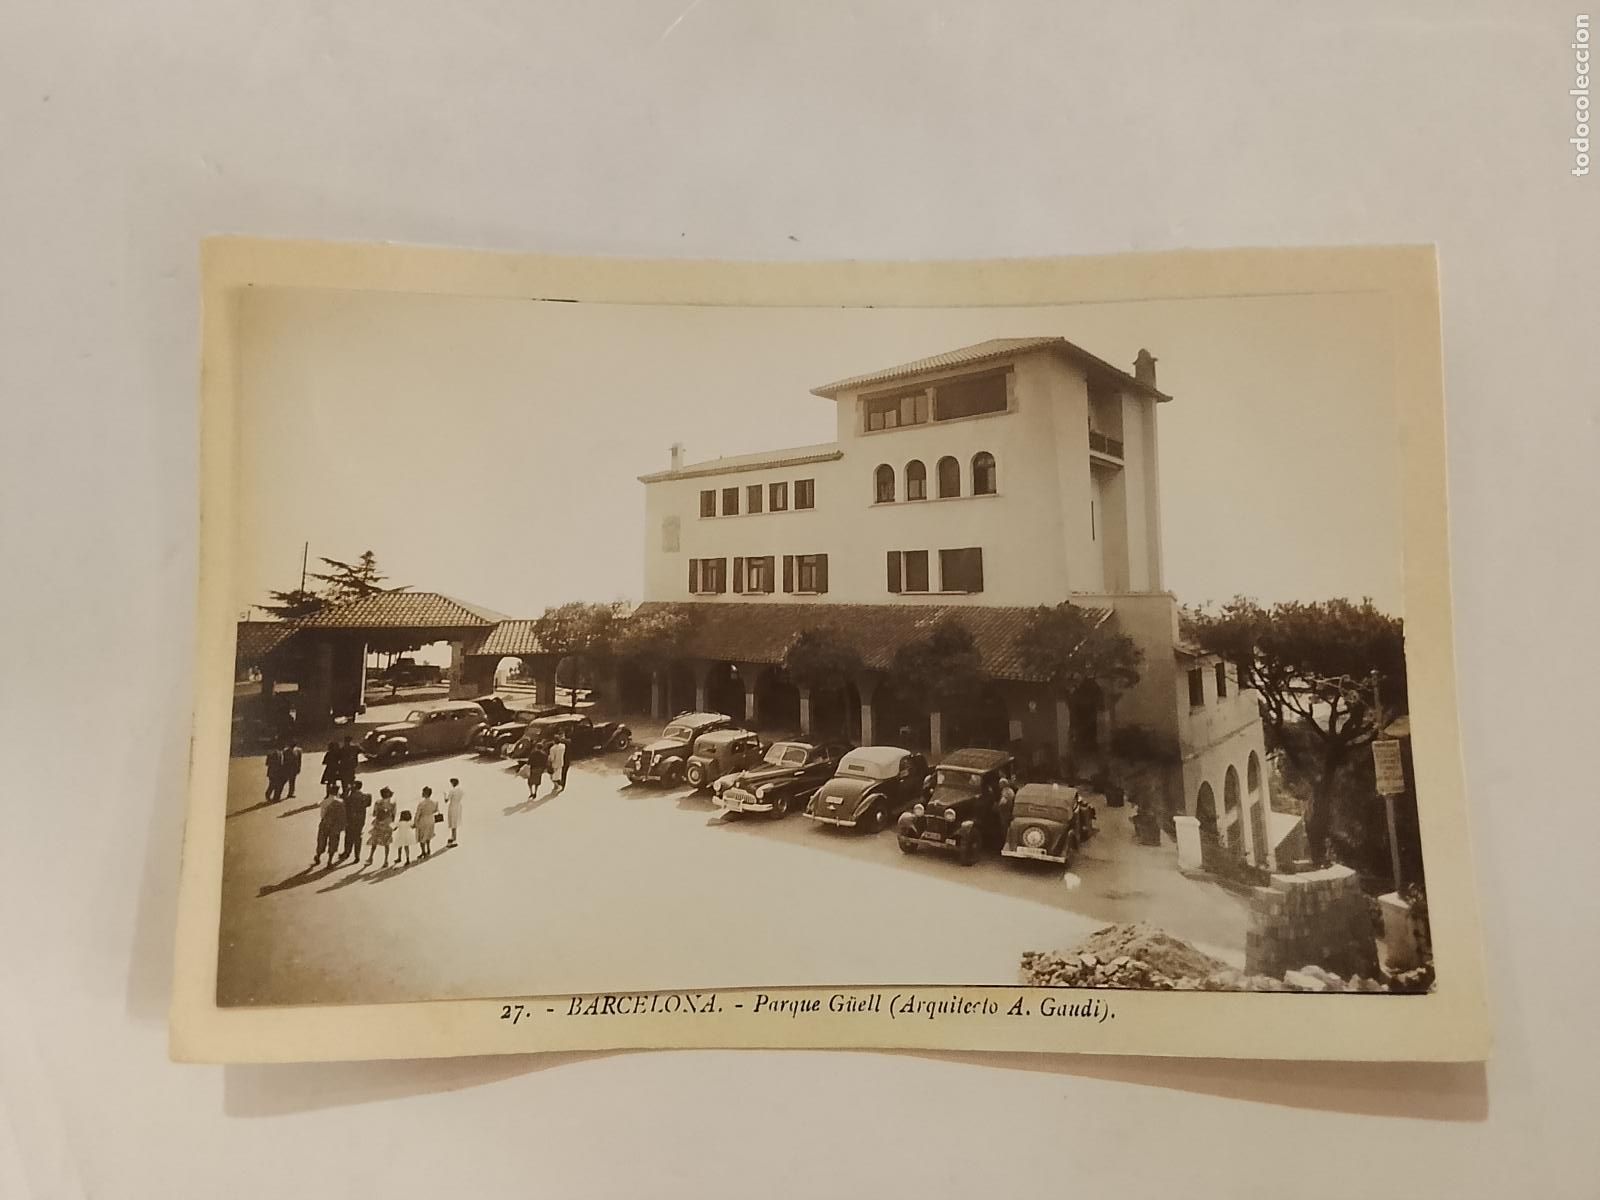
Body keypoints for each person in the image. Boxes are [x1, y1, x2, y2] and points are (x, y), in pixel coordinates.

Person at [313, 788, 345, 868]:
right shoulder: (340, 802)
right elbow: (342, 816)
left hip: (325, 824)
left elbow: (322, 815)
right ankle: (329, 861)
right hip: (335, 825)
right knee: (333, 842)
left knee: (321, 841)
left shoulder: (324, 802)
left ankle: (318, 856)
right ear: (337, 792)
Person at [342, 778, 371, 864]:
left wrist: (347, 791)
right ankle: (357, 855)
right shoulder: (365, 796)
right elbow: (368, 803)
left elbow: (344, 803)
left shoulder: (350, 797)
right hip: (360, 820)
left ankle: (347, 852)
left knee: (348, 836)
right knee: (357, 837)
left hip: (350, 819)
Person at [366, 786, 396, 868]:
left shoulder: (378, 803)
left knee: (374, 841)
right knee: (387, 843)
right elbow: (393, 816)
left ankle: (370, 857)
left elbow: (374, 814)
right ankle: (386, 860)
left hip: (378, 823)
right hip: (387, 824)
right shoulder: (393, 804)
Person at [414, 787, 438, 857]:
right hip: (431, 819)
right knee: (428, 835)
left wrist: (415, 822)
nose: (422, 793)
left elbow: (417, 814)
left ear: (425, 793)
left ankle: (423, 852)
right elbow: (435, 810)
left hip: (423, 820)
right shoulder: (434, 802)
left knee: (421, 837)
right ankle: (428, 849)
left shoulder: (421, 803)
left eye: (423, 792)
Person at [444, 777, 464, 846]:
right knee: (455, 822)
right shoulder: (461, 790)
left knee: (453, 823)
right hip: (458, 806)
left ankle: (454, 839)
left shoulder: (452, 790)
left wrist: (445, 795)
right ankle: (453, 837)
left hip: (452, 806)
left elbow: (446, 800)